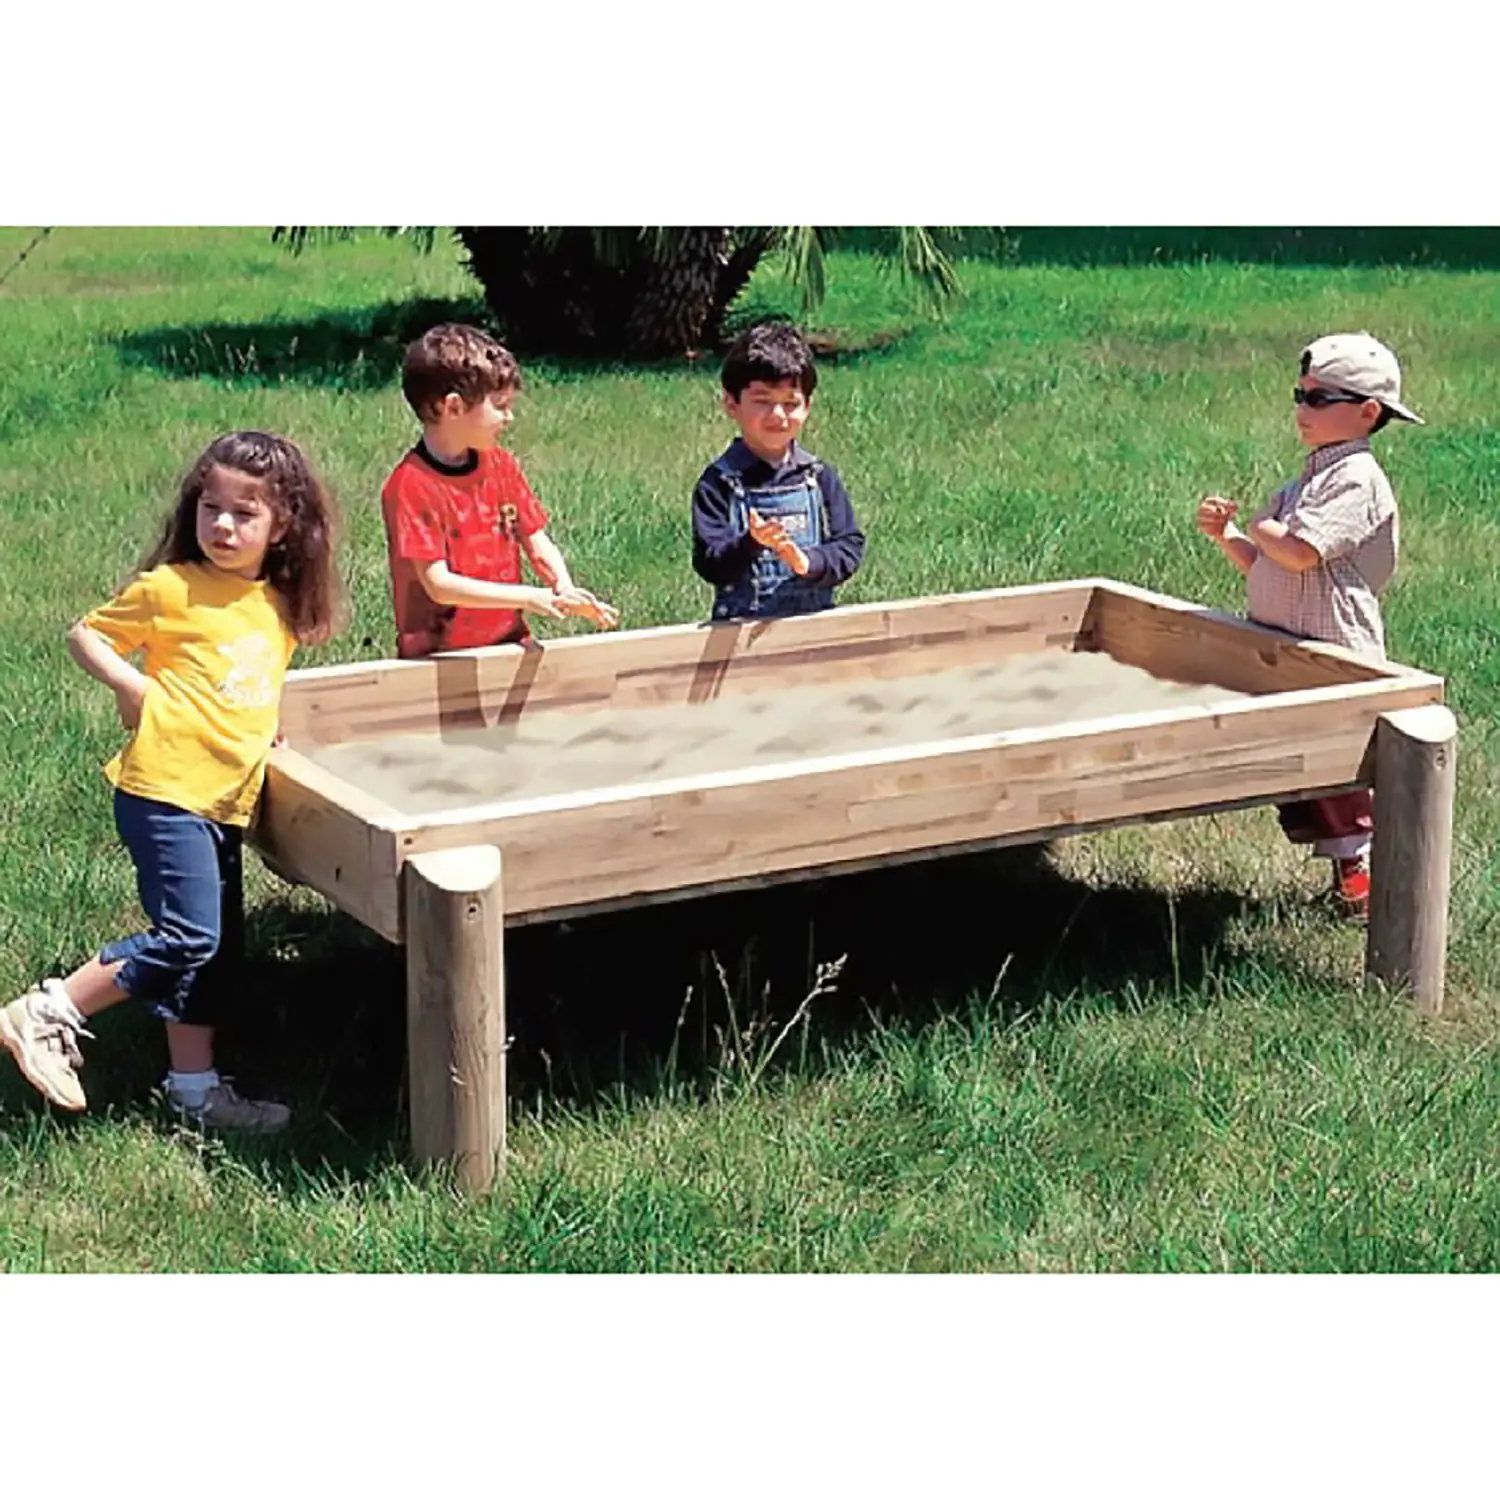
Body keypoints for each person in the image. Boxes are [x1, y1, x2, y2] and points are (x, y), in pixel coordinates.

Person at [0, 432, 345, 1129]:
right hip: (164, 793)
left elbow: (246, 681)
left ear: (284, 525)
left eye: (244, 514)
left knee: (212, 957)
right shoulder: (171, 588)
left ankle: (195, 1091)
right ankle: (48, 1009)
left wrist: (263, 732)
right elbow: (85, 635)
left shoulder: (276, 604)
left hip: (222, 802)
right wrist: (131, 686)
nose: (223, 526)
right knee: (188, 937)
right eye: (211, 507)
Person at [1196, 332, 1423, 917]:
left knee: (1340, 766)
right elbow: (1268, 559)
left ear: (1367, 412)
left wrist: (1263, 525)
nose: (1302, 409)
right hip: (1287, 645)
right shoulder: (1309, 478)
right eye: (1300, 395)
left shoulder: (1358, 479)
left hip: (1333, 647)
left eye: (1320, 399)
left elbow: (1299, 553)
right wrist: (1231, 537)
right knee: (1306, 768)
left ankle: (1364, 880)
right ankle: (1348, 878)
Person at [381, 322, 617, 658]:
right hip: (436, 657)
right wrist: (527, 597)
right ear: (453, 408)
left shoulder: (501, 465)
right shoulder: (411, 486)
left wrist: (563, 586)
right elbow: (438, 584)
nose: (509, 417)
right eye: (500, 405)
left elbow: (536, 541)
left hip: (508, 642)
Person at [691, 321, 865, 621]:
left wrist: (808, 562)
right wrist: (751, 543)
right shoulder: (718, 484)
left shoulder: (818, 477)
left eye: (790, 403)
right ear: (731, 404)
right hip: (738, 635)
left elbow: (849, 546)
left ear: (807, 407)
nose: (777, 415)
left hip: (813, 630)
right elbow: (710, 564)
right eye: (763, 401)